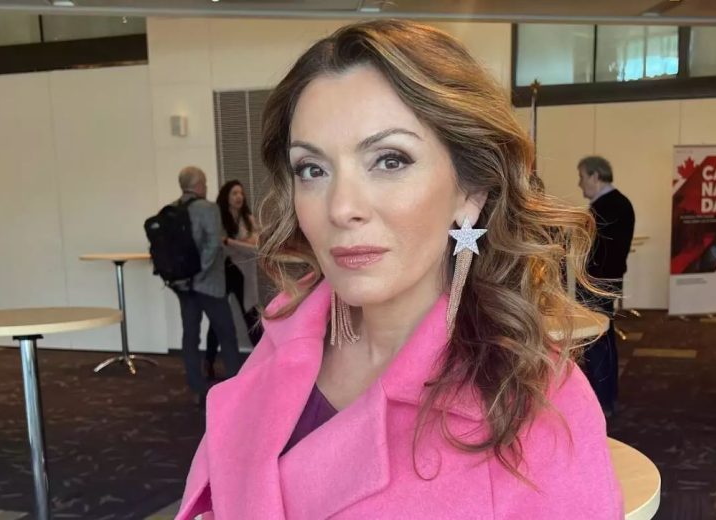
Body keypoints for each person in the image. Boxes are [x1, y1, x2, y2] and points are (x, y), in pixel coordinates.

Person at [176, 21, 622, 519]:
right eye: (312, 169)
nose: (341, 208)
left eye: (389, 160)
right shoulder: (287, 330)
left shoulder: (539, 403)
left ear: (471, 189)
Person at [174, 166, 241, 406]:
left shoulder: (171, 210)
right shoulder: (209, 208)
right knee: (227, 334)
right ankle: (235, 388)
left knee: (190, 336)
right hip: (209, 284)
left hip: (183, 285)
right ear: (200, 184)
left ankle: (197, 388)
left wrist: (186, 277)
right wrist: (199, 273)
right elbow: (214, 245)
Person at [576, 156, 635, 416]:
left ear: (595, 176)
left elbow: (593, 252)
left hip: (596, 285)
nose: (579, 184)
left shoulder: (605, 208)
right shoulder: (620, 203)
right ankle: (607, 397)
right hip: (605, 283)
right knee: (604, 340)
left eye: (582, 177)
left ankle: (601, 401)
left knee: (596, 343)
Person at [204, 180, 260, 379]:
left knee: (252, 318)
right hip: (223, 273)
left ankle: (263, 361)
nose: (239, 197)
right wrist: (241, 243)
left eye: (241, 193)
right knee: (217, 320)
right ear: (226, 196)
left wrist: (230, 241)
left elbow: (255, 248)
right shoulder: (218, 219)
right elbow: (218, 247)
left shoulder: (248, 219)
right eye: (234, 193)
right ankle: (209, 361)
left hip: (243, 274)